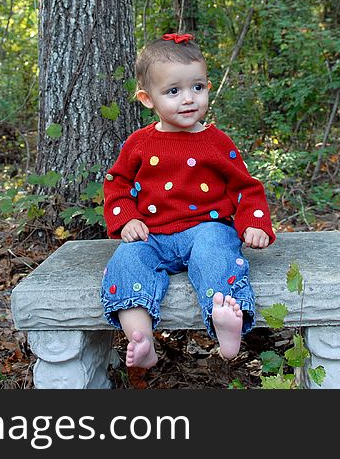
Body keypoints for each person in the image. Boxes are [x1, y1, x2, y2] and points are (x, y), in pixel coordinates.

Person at [101, 33, 275, 370]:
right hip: (153, 235)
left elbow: (246, 187)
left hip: (206, 229)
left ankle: (225, 320)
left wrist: (254, 222)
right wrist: (127, 219)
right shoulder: (139, 143)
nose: (188, 99)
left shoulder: (215, 142)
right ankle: (142, 338)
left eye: (197, 87)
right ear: (147, 98)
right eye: (173, 91)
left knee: (216, 251)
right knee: (127, 259)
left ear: (208, 87)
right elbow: (117, 183)